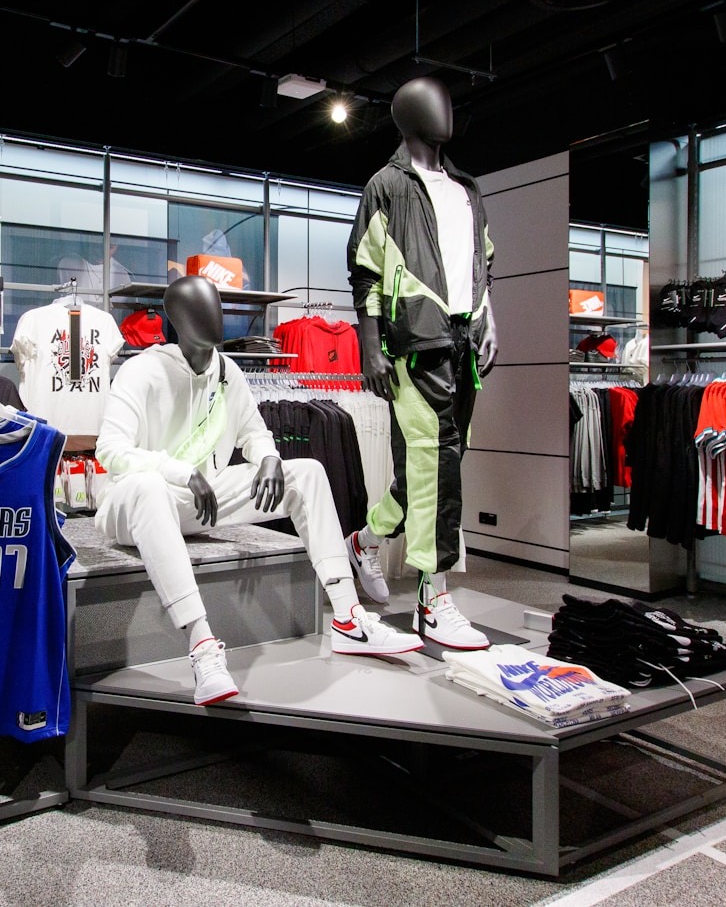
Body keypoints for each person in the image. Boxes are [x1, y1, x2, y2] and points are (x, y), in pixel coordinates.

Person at [94, 275, 423, 705]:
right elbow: (110, 450)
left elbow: (254, 431)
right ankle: (202, 644)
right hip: (133, 504)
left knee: (305, 472)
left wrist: (268, 457)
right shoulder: (142, 370)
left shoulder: (227, 371)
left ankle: (348, 616)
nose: (214, 316)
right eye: (201, 309)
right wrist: (178, 471)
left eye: (216, 306)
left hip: (200, 501)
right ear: (179, 319)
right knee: (149, 486)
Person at [345, 76, 498, 652]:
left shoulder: (467, 188)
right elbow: (365, 269)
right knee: (437, 460)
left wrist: (491, 319)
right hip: (415, 340)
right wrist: (370, 345)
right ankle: (433, 602)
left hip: (466, 339)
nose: (446, 112)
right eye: (435, 103)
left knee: (438, 464)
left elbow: (483, 264)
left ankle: (365, 541)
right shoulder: (385, 186)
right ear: (408, 115)